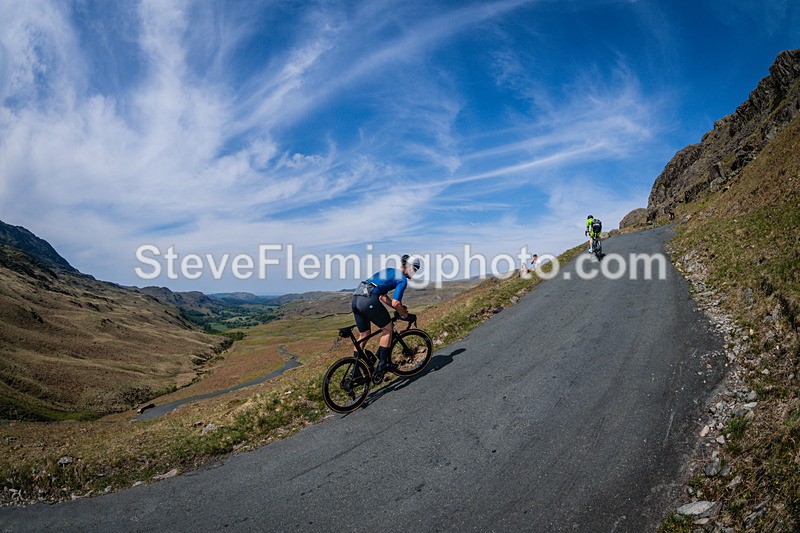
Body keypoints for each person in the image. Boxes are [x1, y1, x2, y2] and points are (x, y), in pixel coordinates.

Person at [352, 254, 421, 381]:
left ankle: (355, 370)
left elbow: (383, 297)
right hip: (368, 300)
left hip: (356, 298)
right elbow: (396, 303)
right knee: (388, 329)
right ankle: (383, 364)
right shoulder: (402, 280)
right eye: (415, 269)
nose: (415, 273)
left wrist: (399, 310)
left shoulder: (389, 271)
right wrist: (406, 315)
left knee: (364, 334)